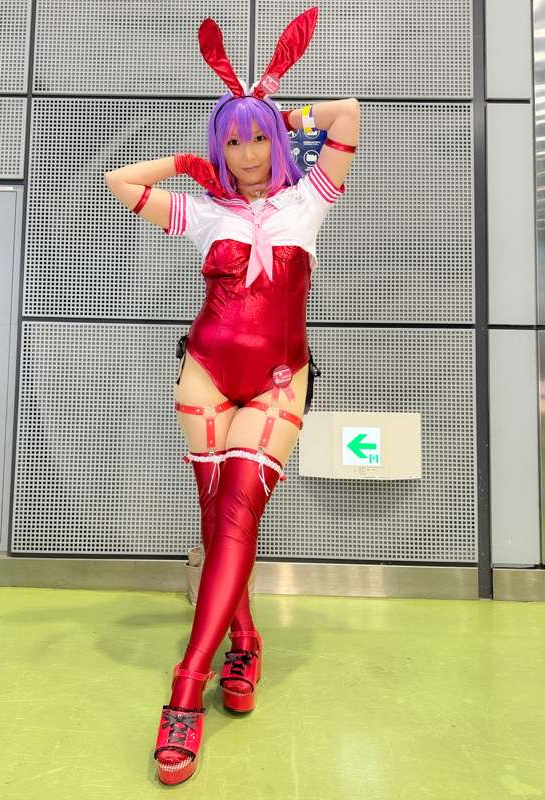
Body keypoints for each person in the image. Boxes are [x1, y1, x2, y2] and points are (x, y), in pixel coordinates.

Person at [104, 6, 359, 785]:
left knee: (240, 510)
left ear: (275, 141)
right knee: (217, 519)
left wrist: (272, 107)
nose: (246, 155)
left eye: (257, 140)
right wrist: (189, 159)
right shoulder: (202, 209)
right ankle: (243, 644)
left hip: (281, 382)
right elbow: (119, 182)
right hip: (205, 375)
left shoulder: (310, 198)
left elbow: (347, 114)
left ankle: (186, 691)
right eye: (233, 141)